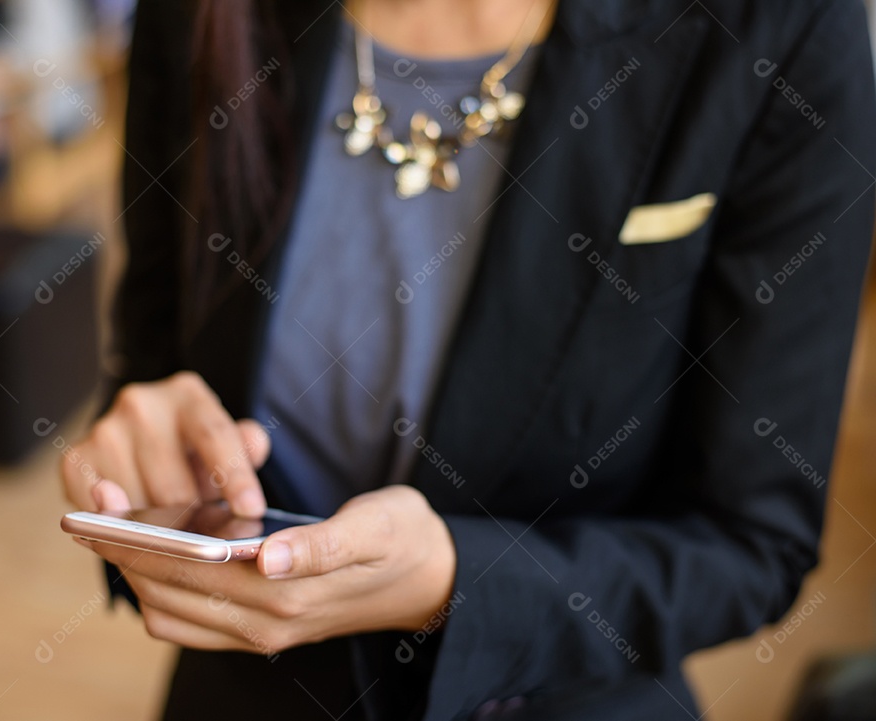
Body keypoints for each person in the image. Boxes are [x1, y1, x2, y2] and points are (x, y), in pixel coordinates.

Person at [60, 0, 876, 719]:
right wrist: (138, 465)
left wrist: (462, 584)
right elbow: (153, 355)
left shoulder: (781, 24)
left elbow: (748, 543)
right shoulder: (201, 12)